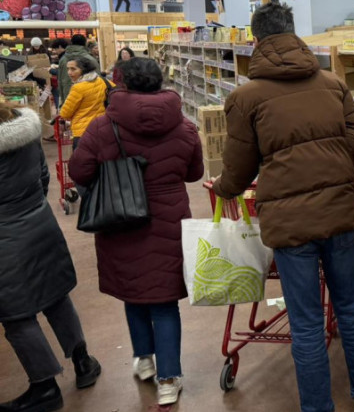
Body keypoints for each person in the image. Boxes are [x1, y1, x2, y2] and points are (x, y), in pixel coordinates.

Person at [211, 3, 354, 412]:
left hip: (290, 226)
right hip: (339, 213)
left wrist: (224, 188)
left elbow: (239, 167)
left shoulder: (245, 97)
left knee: (306, 323)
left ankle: (318, 407)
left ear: (255, 41)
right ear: (293, 32)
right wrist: (333, 167)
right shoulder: (332, 83)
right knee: (351, 308)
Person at [68, 58, 203, 407]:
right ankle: (169, 379)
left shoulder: (102, 126)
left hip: (120, 220)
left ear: (122, 83)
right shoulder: (185, 126)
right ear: (159, 83)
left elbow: (79, 172)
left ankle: (144, 359)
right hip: (169, 220)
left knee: (134, 292)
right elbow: (194, 173)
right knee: (164, 302)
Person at [0, 102, 101, 412]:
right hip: (40, 224)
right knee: (55, 297)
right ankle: (83, 362)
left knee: (17, 315)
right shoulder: (24, 126)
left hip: (6, 239)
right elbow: (43, 178)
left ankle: (44, 387)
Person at [59, 56, 111, 150]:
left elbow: (65, 113)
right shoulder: (102, 81)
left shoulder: (78, 88)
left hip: (82, 132)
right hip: (103, 128)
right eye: (68, 69)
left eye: (73, 69)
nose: (69, 72)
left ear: (84, 70)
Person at [56, 35, 96, 104]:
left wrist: (62, 101)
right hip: (89, 100)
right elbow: (97, 79)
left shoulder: (63, 59)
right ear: (85, 43)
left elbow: (60, 81)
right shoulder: (90, 59)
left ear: (71, 43)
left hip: (68, 98)